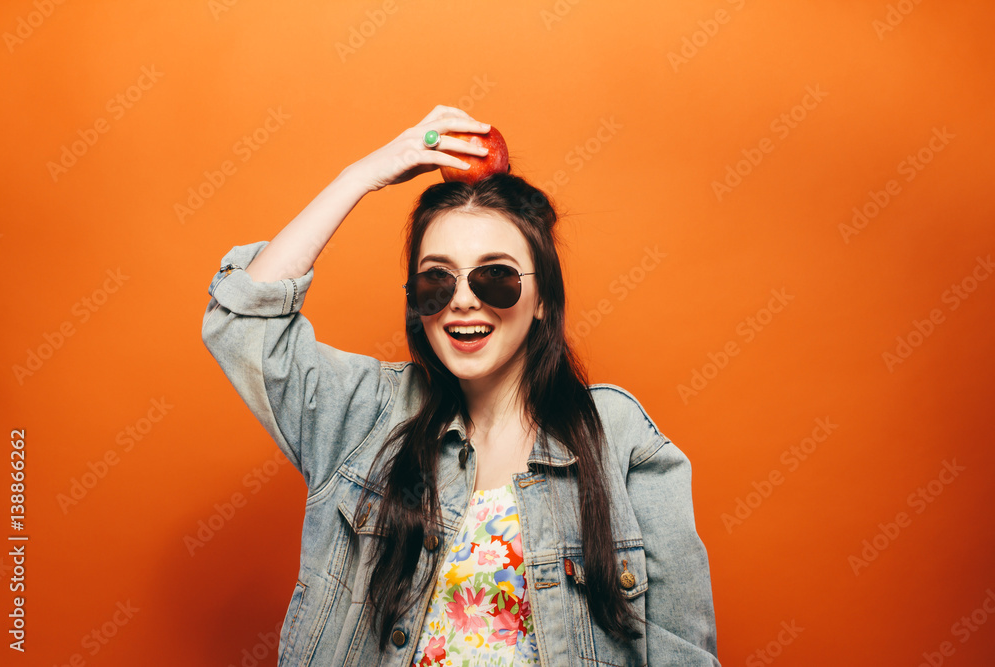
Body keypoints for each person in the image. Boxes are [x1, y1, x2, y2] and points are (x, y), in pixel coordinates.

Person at [201, 105, 720, 666]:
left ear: (543, 297)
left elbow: (682, 653)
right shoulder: (367, 417)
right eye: (437, 278)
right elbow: (241, 322)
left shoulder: (619, 438)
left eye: (495, 275)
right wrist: (364, 174)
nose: (463, 299)